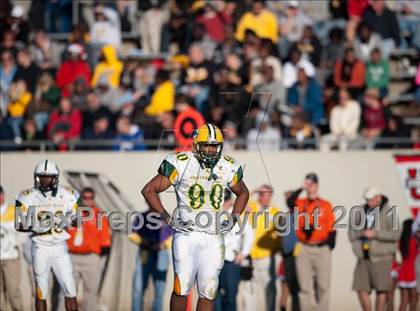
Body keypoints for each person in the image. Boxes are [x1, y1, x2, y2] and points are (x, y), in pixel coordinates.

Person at [141, 123, 249, 311]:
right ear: (196, 145)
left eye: (214, 146)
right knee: (181, 287)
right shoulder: (181, 162)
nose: (209, 150)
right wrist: (167, 217)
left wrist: (234, 218)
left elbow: (243, 193)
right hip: (187, 233)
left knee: (208, 289)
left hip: (214, 234)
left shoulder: (227, 165)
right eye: (206, 145)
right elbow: (149, 190)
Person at [15, 160, 80, 311]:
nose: (45, 180)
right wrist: (36, 226)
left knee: (70, 290)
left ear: (55, 177)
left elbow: (78, 220)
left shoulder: (69, 194)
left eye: (48, 177)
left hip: (60, 247)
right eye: (42, 177)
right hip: (40, 246)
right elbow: (18, 224)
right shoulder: (26, 196)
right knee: (41, 291)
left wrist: (69, 220)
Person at [287, 173, 336, 311]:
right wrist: (301, 188)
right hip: (304, 248)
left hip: (321, 248)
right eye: (308, 183)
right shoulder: (300, 202)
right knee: (304, 286)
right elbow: (290, 201)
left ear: (317, 185)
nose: (311, 186)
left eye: (313, 183)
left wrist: (327, 247)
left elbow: (332, 229)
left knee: (323, 286)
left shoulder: (325, 204)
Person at [349, 187, 401, 311]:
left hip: (382, 257)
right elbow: (351, 231)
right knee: (360, 287)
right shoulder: (361, 211)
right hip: (364, 256)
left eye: (370, 200)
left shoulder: (390, 212)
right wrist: (360, 235)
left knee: (381, 289)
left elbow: (396, 234)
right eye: (367, 200)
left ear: (378, 197)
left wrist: (376, 233)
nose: (368, 203)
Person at [66, 187, 111, 311]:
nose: (87, 201)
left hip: (91, 258)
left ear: (93, 199)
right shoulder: (72, 214)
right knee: (69, 292)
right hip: (72, 257)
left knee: (90, 293)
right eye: (85, 198)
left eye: (90, 198)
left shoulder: (99, 216)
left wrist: (99, 259)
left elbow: (105, 240)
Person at [242, 184, 280, 311]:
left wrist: (275, 250)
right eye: (262, 193)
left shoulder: (275, 212)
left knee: (269, 290)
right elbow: (240, 203)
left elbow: (279, 235)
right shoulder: (251, 208)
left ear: (271, 195)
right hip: (250, 258)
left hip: (266, 258)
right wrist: (252, 192)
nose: (264, 197)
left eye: (267, 194)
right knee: (248, 290)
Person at [215, 190, 254, 311]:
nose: (224, 204)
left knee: (230, 295)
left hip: (231, 260)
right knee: (213, 295)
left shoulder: (237, 214)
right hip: (214, 260)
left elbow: (249, 234)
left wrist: (243, 253)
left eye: (225, 201)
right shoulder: (213, 213)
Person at [131, 210, 172, 311]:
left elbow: (174, 234)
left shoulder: (166, 217)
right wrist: (143, 241)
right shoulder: (141, 216)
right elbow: (132, 234)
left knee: (159, 289)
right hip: (145, 251)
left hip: (161, 253)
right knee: (138, 287)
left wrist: (162, 245)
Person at [0, 185, 23, 311]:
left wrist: (15, 244)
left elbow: (23, 231)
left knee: (13, 291)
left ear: (2, 196)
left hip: (11, 258)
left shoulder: (13, 211)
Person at [397, 218, 418, 311]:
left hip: (403, 272)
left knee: (404, 302)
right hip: (414, 272)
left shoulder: (400, 241)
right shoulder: (415, 241)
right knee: (414, 302)